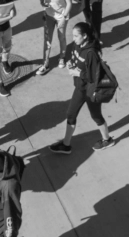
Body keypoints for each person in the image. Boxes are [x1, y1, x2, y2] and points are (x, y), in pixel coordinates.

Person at [49, 22, 115, 154]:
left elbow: (93, 76)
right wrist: (70, 64)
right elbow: (75, 59)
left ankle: (107, 140)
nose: (73, 39)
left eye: (76, 36)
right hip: (80, 87)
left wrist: (77, 73)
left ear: (84, 36)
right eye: (73, 35)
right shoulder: (77, 45)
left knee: (96, 116)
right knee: (70, 114)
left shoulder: (91, 53)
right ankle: (66, 145)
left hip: (90, 90)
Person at [36, 0, 72, 75]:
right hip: (48, 16)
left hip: (61, 15)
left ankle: (62, 57)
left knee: (61, 37)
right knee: (47, 40)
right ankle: (45, 64)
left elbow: (69, 4)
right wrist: (43, 2)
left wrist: (64, 18)